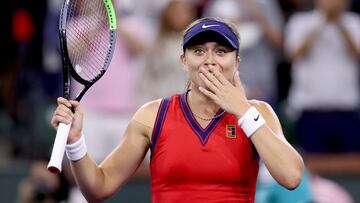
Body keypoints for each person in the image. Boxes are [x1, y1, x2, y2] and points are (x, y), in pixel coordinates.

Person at [51, 17, 304, 202]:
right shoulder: (152, 116)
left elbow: (291, 177)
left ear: (237, 61)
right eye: (198, 51)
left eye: (221, 51)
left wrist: (243, 111)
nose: (210, 60)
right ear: (184, 61)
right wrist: (75, 142)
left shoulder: (259, 113)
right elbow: (99, 187)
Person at [285, 0, 360, 152]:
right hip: (309, 111)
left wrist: (339, 23)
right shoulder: (300, 22)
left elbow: (356, 53)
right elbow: (294, 55)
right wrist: (323, 21)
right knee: (310, 168)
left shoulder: (354, 22)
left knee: (351, 167)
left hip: (347, 110)